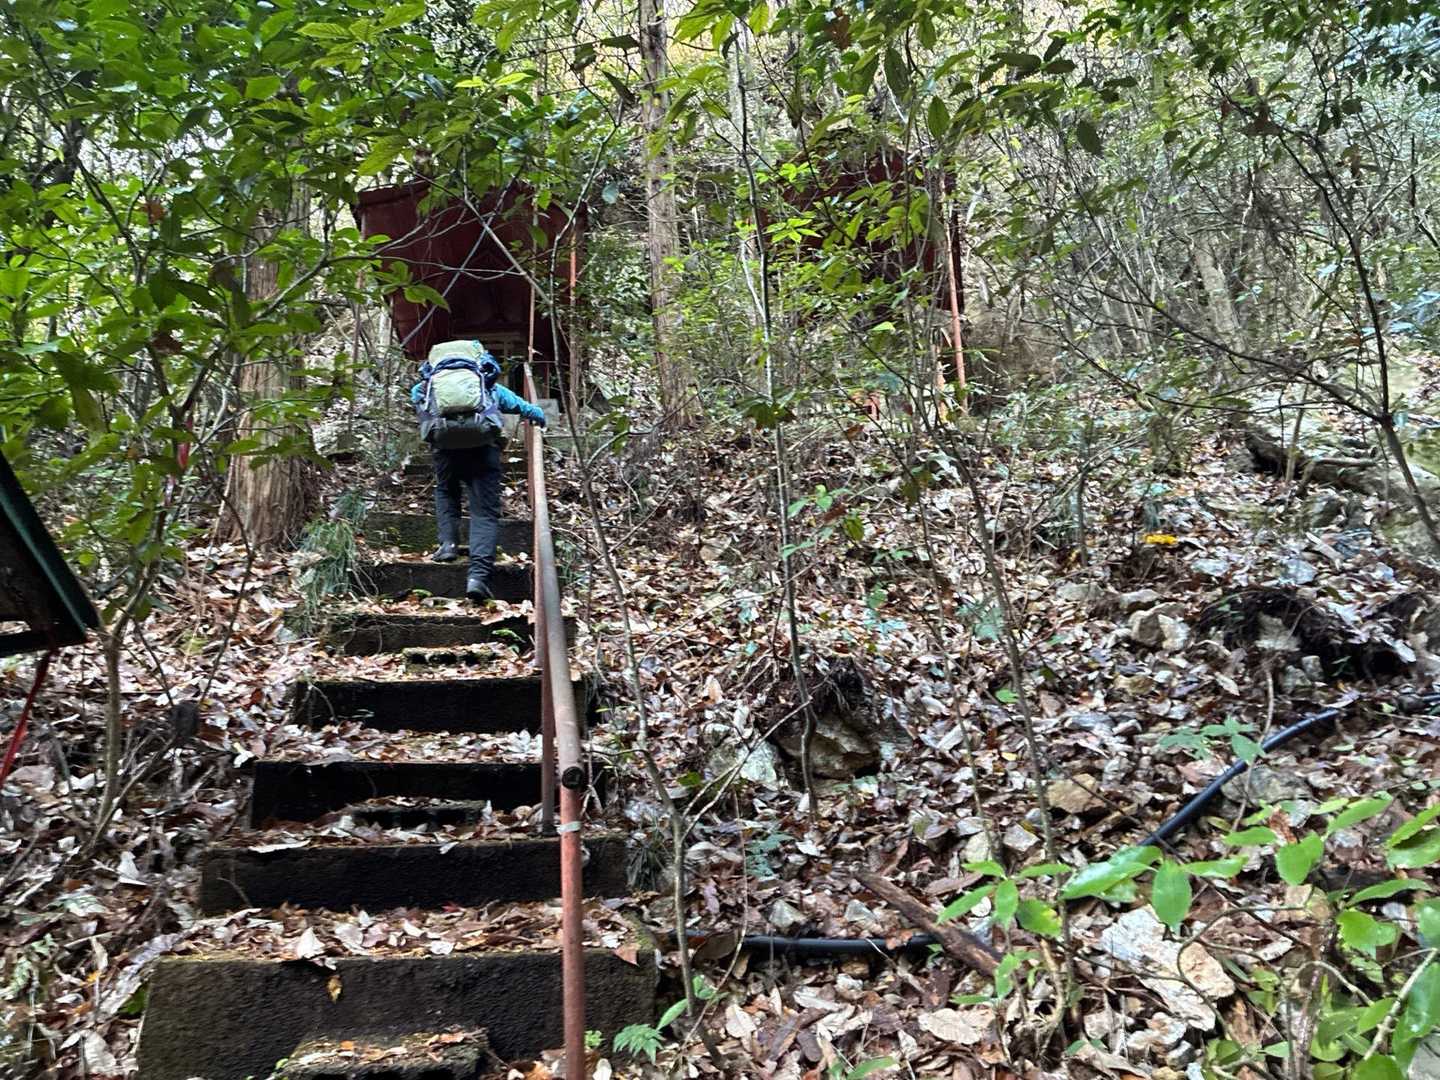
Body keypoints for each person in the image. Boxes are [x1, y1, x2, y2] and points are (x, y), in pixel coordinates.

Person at [410, 347, 546, 601]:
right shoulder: (487, 383)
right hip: (484, 449)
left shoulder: (426, 386)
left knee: (446, 491)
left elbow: (419, 405)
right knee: (484, 512)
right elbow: (520, 406)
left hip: (444, 448)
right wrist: (539, 416)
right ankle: (478, 577)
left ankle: (448, 545)